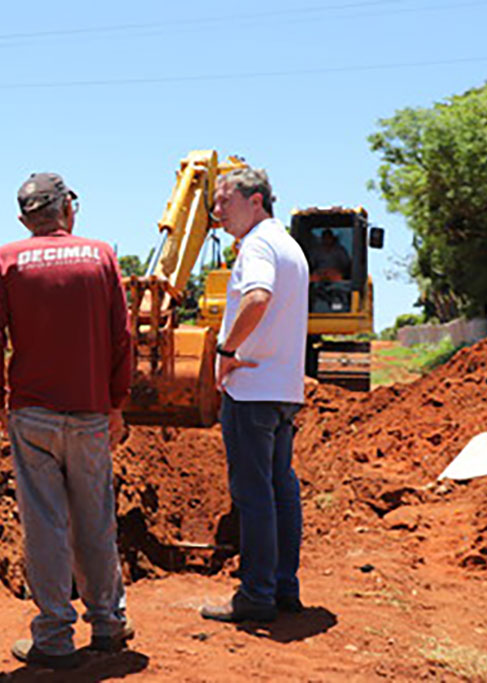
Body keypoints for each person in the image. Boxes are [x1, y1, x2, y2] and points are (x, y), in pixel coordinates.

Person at [0, 172, 134, 670]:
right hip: (89, 412)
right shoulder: (101, 255)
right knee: (96, 519)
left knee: (45, 525)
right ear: (69, 208)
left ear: (25, 218)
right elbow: (122, 336)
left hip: (32, 412)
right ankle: (107, 624)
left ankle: (54, 637)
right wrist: (116, 403)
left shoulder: (5, 260)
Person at [199, 166, 309, 624]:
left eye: (225, 200)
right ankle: (284, 587)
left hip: (252, 391)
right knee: (281, 489)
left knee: (253, 494)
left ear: (256, 200)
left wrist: (227, 349)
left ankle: (256, 595)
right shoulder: (290, 246)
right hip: (283, 389)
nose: (216, 210)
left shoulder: (259, 244)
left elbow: (258, 297)